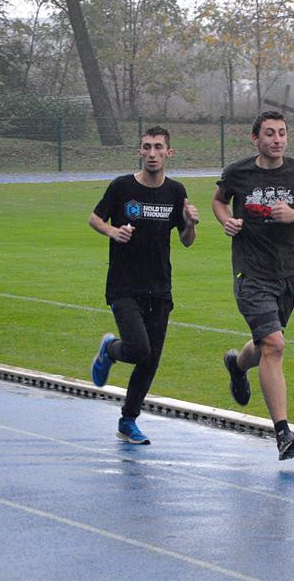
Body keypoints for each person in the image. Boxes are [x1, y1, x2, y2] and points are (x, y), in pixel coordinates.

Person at [212, 110, 294, 460]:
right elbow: (219, 199)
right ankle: (283, 433)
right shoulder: (239, 172)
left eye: (282, 133)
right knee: (275, 345)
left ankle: (237, 366)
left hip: (288, 273)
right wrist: (227, 220)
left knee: (264, 344)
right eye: (269, 134)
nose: (277, 140)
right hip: (250, 273)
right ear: (256, 139)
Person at [88, 126, 199, 444]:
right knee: (137, 348)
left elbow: (187, 241)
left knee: (149, 361)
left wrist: (190, 223)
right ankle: (109, 349)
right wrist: (112, 232)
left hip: (160, 287)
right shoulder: (122, 186)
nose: (152, 153)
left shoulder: (176, 192)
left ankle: (128, 421)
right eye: (147, 147)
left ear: (169, 153)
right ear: (140, 151)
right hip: (124, 285)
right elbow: (95, 218)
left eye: (158, 148)